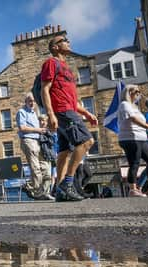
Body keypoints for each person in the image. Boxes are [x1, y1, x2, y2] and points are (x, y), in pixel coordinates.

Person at [41, 35, 98, 202]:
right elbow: (45, 90)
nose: (68, 41)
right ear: (55, 47)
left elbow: (72, 99)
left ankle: (59, 190)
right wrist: (51, 114)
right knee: (87, 142)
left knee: (65, 152)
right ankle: (68, 183)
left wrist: (86, 113)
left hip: (68, 109)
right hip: (62, 111)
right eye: (64, 40)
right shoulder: (51, 63)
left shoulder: (66, 68)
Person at [117, 84, 148, 197]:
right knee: (134, 163)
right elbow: (133, 118)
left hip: (141, 138)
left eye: (139, 92)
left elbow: (140, 121)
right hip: (130, 139)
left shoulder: (134, 107)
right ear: (129, 93)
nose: (138, 94)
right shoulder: (124, 104)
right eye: (136, 92)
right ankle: (133, 189)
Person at [17, 94, 54, 200]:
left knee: (46, 169)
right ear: (26, 101)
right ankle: (32, 188)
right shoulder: (22, 112)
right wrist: (38, 130)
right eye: (30, 101)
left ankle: (42, 191)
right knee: (36, 168)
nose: (32, 103)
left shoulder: (35, 113)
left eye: (33, 101)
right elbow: (22, 127)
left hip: (39, 141)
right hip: (29, 140)